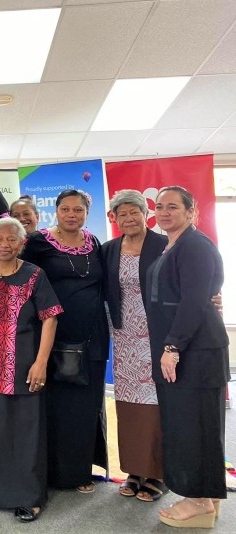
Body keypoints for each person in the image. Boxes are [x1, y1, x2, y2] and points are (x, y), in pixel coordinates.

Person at [0, 218, 62, 523]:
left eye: (12, 240)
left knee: (27, 432)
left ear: (21, 243)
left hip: (24, 363)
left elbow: (50, 318)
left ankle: (29, 497)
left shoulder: (34, 274)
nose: (5, 245)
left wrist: (41, 362)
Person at [145, 186, 229, 529]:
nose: (164, 213)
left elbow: (194, 301)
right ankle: (204, 497)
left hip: (194, 353)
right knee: (190, 425)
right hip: (185, 350)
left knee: (195, 427)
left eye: (173, 207)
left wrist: (172, 347)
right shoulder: (174, 245)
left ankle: (198, 502)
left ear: (191, 210)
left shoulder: (195, 246)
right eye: (160, 207)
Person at [21, 190, 109, 493]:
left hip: (92, 337)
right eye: (65, 209)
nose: (72, 214)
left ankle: (79, 472)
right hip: (50, 337)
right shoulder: (38, 242)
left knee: (85, 407)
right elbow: (21, 283)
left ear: (86, 213)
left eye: (78, 210)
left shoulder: (94, 243)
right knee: (53, 407)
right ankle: (49, 472)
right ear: (55, 211)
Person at [100, 190, 167, 502]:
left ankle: (157, 473)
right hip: (124, 336)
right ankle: (135, 469)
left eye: (134, 212)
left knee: (156, 404)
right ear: (114, 218)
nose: (128, 218)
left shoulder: (164, 245)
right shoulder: (110, 249)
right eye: (121, 214)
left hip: (157, 335)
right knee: (127, 406)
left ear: (145, 213)